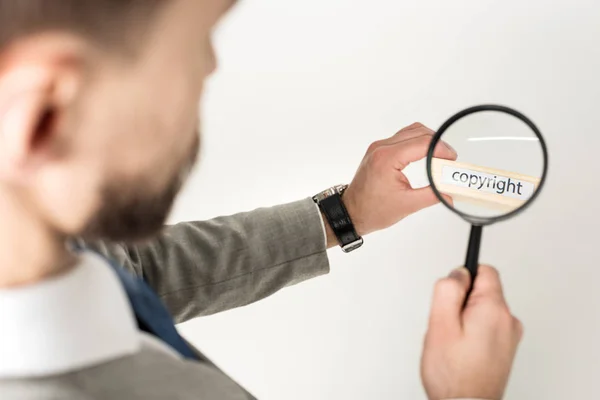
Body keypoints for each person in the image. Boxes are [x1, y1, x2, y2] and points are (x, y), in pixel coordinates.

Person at [0, 1, 523, 399]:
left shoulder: (50, 248)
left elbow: (129, 275)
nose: (209, 67)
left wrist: (345, 215)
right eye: (196, 40)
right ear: (42, 116)